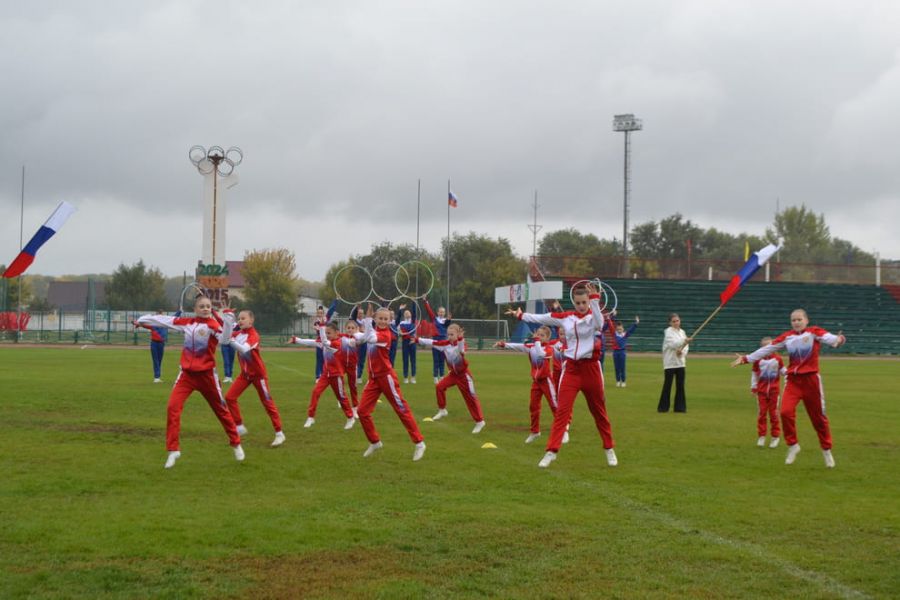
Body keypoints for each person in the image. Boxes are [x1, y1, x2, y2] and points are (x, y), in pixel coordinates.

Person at [510, 283, 616, 469]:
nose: (581, 306)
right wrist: (521, 315)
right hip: (572, 370)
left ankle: (609, 449)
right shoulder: (567, 317)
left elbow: (600, 325)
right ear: (573, 302)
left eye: (584, 302)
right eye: (578, 303)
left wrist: (595, 300)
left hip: (591, 369)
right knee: (562, 412)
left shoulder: (594, 316)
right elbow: (544, 317)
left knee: (599, 412)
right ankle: (551, 451)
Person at [136, 294, 244, 469]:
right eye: (201, 306)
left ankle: (236, 442)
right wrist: (143, 319)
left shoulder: (213, 326)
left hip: (207, 376)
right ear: (195, 309)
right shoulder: (187, 323)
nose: (205, 308)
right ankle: (173, 450)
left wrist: (229, 319)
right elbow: (164, 320)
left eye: (208, 306)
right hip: (186, 376)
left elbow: (225, 340)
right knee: (172, 407)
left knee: (221, 410)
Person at [732, 309, 846, 468]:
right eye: (793, 320)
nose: (797, 322)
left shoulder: (814, 332)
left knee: (818, 419)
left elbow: (831, 339)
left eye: (799, 319)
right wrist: (745, 358)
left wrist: (839, 339)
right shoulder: (787, 337)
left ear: (806, 320)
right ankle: (793, 445)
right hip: (793, 381)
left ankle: (826, 450)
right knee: (785, 412)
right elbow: (766, 349)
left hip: (811, 381)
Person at [353, 306, 426, 460]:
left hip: (386, 378)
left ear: (390, 320)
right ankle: (375, 442)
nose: (383, 321)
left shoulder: (386, 335)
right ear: (376, 319)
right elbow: (363, 336)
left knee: (401, 409)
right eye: (380, 318)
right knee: (362, 412)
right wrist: (355, 334)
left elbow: (368, 338)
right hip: (374, 379)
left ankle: (419, 443)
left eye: (386, 319)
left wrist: (365, 321)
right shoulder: (373, 331)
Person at [223, 309, 286, 447]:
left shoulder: (254, 335)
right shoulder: (238, 333)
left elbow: (244, 349)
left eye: (243, 318)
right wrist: (224, 315)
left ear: (251, 320)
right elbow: (224, 333)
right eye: (239, 318)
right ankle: (239, 426)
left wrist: (230, 340)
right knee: (229, 397)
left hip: (259, 376)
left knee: (268, 403)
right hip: (245, 375)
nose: (240, 321)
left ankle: (279, 433)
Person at [494, 325, 563, 444]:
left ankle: (562, 430)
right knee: (533, 406)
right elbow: (519, 346)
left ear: (547, 338)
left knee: (554, 405)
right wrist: (503, 344)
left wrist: (536, 341)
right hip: (536, 382)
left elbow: (541, 354)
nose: (539, 337)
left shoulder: (549, 349)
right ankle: (535, 432)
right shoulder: (531, 347)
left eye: (542, 336)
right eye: (538, 335)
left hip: (546, 381)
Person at [417, 323, 486, 434]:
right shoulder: (445, 344)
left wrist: (460, 339)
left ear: (457, 334)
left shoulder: (462, 343)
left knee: (470, 398)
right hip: (453, 375)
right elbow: (432, 342)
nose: (449, 336)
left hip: (464, 376)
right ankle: (442, 410)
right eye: (448, 334)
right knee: (439, 387)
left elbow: (461, 350)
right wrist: (417, 340)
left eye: (452, 334)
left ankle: (480, 421)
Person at [290, 323, 357, 430]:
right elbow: (312, 342)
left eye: (329, 333)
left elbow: (325, 342)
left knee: (341, 397)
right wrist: (297, 340)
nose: (326, 335)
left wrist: (321, 327)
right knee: (315, 392)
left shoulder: (336, 343)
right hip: (326, 375)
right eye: (326, 333)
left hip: (336, 375)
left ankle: (350, 417)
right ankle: (311, 417)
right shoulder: (326, 342)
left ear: (336, 333)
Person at [748, 336, 784, 449]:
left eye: (769, 346)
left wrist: (792, 375)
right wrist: (754, 387)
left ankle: (775, 437)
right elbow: (754, 374)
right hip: (762, 392)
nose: (767, 349)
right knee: (762, 414)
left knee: (774, 414)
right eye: (764, 346)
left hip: (774, 392)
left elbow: (783, 371)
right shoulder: (758, 360)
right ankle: (762, 436)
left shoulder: (778, 359)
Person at [658, 313, 691, 413]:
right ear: (670, 323)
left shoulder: (682, 332)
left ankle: (680, 408)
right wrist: (684, 341)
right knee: (667, 385)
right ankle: (663, 408)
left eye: (677, 320)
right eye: (674, 321)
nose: (676, 323)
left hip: (680, 363)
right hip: (670, 363)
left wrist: (682, 352)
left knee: (680, 385)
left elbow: (686, 347)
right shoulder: (668, 332)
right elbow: (672, 344)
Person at [133, 309, 170, 383]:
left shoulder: (165, 324)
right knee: (155, 360)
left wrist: (179, 312)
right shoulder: (153, 324)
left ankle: (158, 377)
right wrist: (137, 323)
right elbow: (144, 325)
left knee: (159, 360)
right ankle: (156, 377)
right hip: (154, 343)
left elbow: (175, 318)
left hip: (161, 344)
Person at [423, 298, 451, 384]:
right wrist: (425, 301)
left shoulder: (445, 321)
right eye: (440, 312)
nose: (441, 313)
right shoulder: (434, 319)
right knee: (436, 360)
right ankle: (435, 377)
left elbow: (447, 324)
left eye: (443, 312)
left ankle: (442, 376)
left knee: (442, 359)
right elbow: (429, 310)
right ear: (438, 312)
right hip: (435, 341)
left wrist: (449, 319)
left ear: (444, 313)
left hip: (443, 342)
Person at [312, 301, 338, 380]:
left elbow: (331, 310)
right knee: (319, 359)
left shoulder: (326, 318)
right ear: (317, 313)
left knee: (326, 359)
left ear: (323, 313)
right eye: (318, 313)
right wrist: (318, 327)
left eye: (321, 313)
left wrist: (336, 301)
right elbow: (315, 328)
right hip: (320, 342)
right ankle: (317, 376)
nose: (320, 314)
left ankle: (324, 374)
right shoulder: (316, 321)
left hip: (327, 342)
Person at [612, 316, 640, 387]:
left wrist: (636, 323)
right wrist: (611, 317)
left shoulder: (625, 335)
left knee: (622, 367)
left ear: (623, 329)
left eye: (620, 329)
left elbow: (631, 330)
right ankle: (618, 381)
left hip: (622, 352)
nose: (619, 330)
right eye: (618, 329)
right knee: (617, 367)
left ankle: (623, 381)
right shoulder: (614, 335)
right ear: (616, 329)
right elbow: (610, 325)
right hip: (615, 352)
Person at [397, 303, 418, 384]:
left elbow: (414, 313)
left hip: (412, 341)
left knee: (413, 360)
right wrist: (400, 333)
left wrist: (413, 303)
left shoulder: (413, 321)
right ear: (404, 315)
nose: (407, 314)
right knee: (405, 360)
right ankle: (405, 377)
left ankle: (413, 377)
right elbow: (398, 331)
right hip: (405, 342)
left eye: (408, 312)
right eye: (405, 313)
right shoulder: (401, 323)